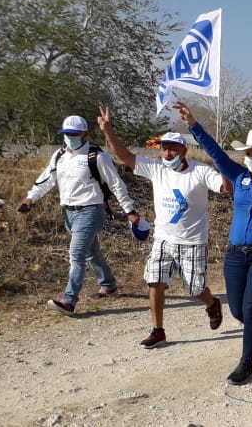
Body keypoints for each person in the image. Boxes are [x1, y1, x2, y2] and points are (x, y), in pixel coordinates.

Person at [176, 101, 252, 385]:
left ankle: (246, 365)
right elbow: (214, 152)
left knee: (250, 309)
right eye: (248, 154)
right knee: (236, 310)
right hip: (235, 254)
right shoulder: (240, 177)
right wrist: (193, 125)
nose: (251, 158)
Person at [96, 107, 226, 349]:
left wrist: (225, 165)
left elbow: (225, 188)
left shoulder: (200, 171)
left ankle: (211, 304)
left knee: (194, 287)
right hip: (164, 239)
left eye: (172, 148)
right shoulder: (156, 168)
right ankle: (158, 330)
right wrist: (108, 130)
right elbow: (124, 156)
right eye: (164, 148)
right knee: (154, 281)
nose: (167, 153)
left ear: (184, 151)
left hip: (193, 240)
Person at [19, 115, 139, 316]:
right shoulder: (59, 156)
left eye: (74, 134)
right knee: (91, 252)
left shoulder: (97, 157)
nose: (70, 137)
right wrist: (31, 198)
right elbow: (47, 179)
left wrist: (130, 211)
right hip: (69, 212)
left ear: (85, 134)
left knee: (76, 255)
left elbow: (116, 184)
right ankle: (109, 285)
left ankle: (69, 300)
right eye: (67, 133)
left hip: (91, 211)